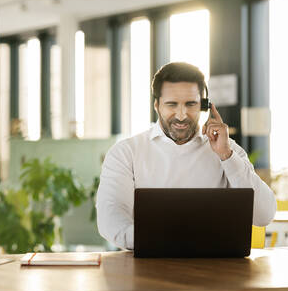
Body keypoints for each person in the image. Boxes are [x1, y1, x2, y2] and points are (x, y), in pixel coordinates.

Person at [96, 62, 276, 250]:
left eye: (190, 104)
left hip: (218, 269)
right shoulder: (126, 153)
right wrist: (156, 241)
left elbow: (264, 215)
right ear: (157, 105)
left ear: (204, 106)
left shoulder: (229, 151)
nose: (181, 115)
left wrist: (226, 156)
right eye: (172, 104)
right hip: (148, 264)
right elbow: (111, 218)